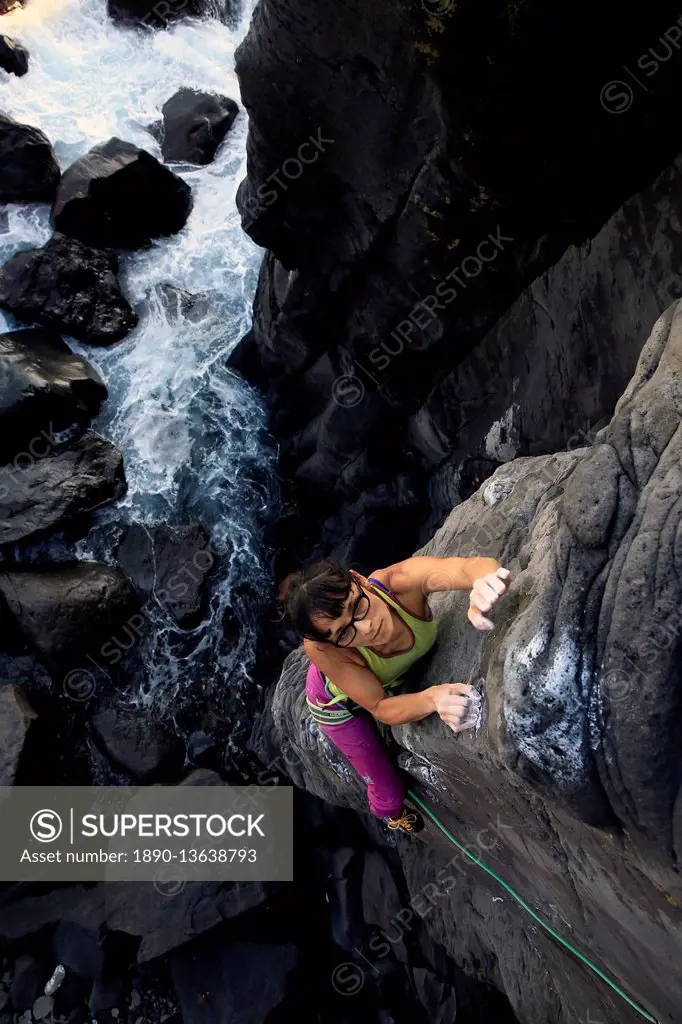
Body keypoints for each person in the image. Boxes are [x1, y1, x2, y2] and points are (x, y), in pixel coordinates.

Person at [284, 554, 510, 835]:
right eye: (345, 633)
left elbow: (468, 567)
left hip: (381, 680)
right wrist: (431, 699)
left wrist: (485, 581)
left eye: (358, 606)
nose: (366, 628)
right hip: (337, 705)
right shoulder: (325, 649)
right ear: (332, 641)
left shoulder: (400, 584)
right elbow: (380, 706)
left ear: (361, 580)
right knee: (390, 793)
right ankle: (390, 815)